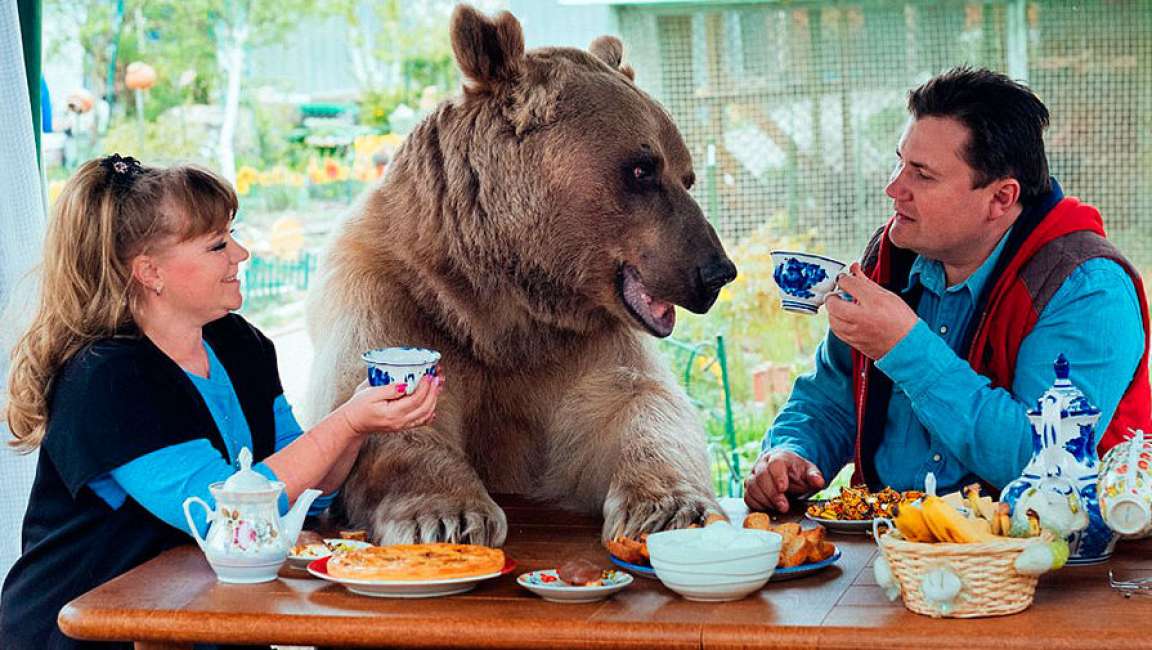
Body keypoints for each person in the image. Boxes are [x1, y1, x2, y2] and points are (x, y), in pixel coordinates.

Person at [0, 155, 443, 650]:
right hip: (85, 635)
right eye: (217, 244)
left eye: (233, 234)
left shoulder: (239, 343)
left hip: (200, 622)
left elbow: (307, 488)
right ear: (149, 272)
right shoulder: (106, 379)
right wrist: (344, 422)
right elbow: (225, 516)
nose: (242, 252)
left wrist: (363, 422)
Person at [745, 67, 1151, 513]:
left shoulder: (1087, 289)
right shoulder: (892, 255)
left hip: (1045, 561)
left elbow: (1045, 464)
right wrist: (791, 453)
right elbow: (832, 396)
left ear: (1000, 197)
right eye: (900, 161)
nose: (894, 188)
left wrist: (904, 347)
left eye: (922, 174)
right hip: (893, 546)